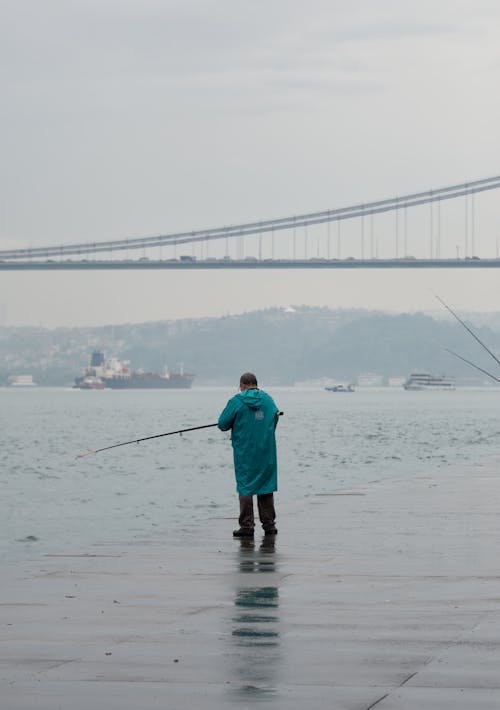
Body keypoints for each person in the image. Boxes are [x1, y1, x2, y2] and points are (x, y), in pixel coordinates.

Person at [218, 373, 280, 538]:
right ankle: (269, 525)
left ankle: (247, 526)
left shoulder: (236, 401)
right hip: (266, 451)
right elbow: (274, 419)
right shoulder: (268, 400)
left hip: (245, 452)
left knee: (246, 486)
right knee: (265, 486)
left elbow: (222, 424)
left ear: (242, 385)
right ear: (256, 384)